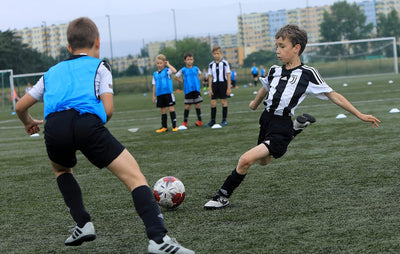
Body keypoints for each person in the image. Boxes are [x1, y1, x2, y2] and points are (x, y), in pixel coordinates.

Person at [15, 17, 194, 254]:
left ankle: (83, 223)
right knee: (134, 177)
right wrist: (90, 127)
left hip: (54, 127)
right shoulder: (100, 66)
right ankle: (158, 240)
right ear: (98, 42)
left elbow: (20, 107)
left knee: (61, 170)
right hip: (87, 125)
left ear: (68, 47)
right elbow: (108, 110)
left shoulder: (51, 72)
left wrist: (29, 123)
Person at [203, 24, 381, 210]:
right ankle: (296, 130)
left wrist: (360, 114)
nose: (277, 51)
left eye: (282, 46)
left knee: (245, 160)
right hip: (266, 120)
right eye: (276, 46)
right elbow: (265, 86)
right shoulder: (274, 70)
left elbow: (333, 95)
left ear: (296, 48)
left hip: (281, 125)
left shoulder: (308, 74)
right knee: (263, 162)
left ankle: (222, 196)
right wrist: (255, 103)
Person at [205, 46, 231, 127]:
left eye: (218, 53)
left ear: (221, 54)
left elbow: (228, 75)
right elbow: (210, 77)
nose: (217, 55)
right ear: (213, 54)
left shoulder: (225, 63)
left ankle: (224, 120)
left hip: (223, 84)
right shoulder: (211, 64)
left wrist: (229, 88)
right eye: (215, 53)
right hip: (214, 85)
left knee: (223, 102)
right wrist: (210, 89)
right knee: (213, 103)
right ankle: (212, 120)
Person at [174, 52, 203, 127]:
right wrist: (182, 81)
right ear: (185, 61)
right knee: (187, 106)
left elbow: (200, 74)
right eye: (188, 59)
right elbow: (176, 77)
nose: (189, 61)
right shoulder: (183, 70)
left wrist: (197, 80)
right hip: (188, 90)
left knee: (197, 105)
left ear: (193, 60)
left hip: (196, 90)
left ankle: (200, 121)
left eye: (191, 59)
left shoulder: (196, 68)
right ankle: (185, 122)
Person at [152, 54, 178, 133]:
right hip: (160, 94)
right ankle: (164, 127)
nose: (159, 65)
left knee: (171, 109)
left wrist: (168, 64)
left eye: (161, 63)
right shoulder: (155, 74)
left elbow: (174, 71)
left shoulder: (167, 70)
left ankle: (174, 126)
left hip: (168, 93)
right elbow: (154, 85)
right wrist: (154, 96)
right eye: (158, 63)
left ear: (164, 63)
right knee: (163, 110)